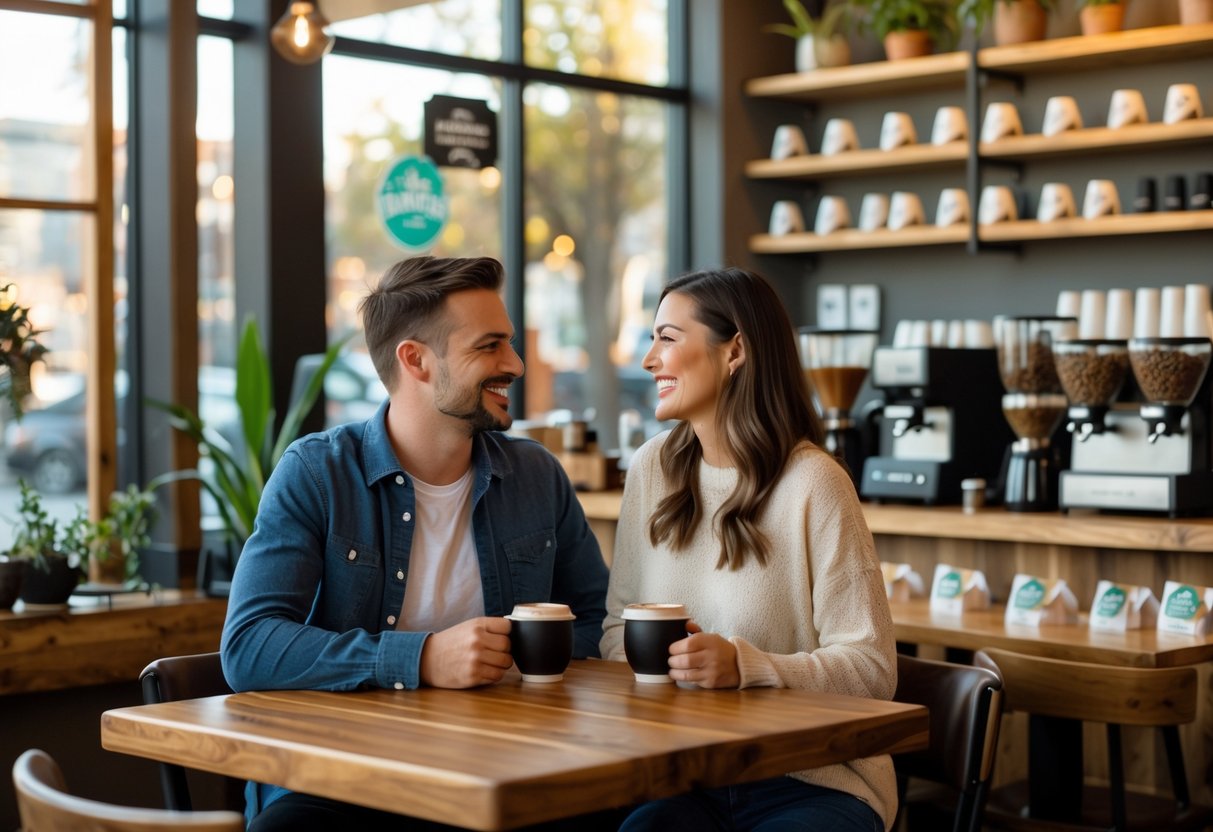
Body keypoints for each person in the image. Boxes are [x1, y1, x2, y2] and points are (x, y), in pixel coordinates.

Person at [221, 255, 609, 831]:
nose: (516, 364)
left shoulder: (536, 475)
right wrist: (422, 658)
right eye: (490, 346)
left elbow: (595, 624)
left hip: (503, 770)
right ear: (416, 360)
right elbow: (249, 646)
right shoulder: (318, 473)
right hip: (343, 782)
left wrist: (508, 660)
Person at [600, 266, 897, 832]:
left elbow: (873, 669)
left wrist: (746, 666)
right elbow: (618, 630)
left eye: (667, 337)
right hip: (686, 774)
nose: (649, 359)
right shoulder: (651, 470)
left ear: (734, 351)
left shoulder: (815, 482)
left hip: (813, 781)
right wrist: (670, 668)